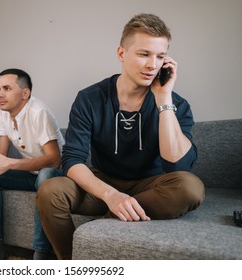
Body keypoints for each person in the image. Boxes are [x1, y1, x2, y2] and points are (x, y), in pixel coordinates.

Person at [36, 13, 205, 260]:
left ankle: (102, 230)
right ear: (121, 53)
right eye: (143, 54)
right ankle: (72, 264)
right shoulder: (90, 98)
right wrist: (111, 195)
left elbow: (179, 167)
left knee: (191, 187)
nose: (152, 65)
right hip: (102, 182)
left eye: (160, 57)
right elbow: (72, 159)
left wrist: (163, 99)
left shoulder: (176, 103)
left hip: (151, 184)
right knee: (50, 190)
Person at [0, 68, 64, 260]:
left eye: (6, 88)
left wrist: (9, 164)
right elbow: (1, 156)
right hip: (31, 174)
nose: (0, 94)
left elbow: (54, 160)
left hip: (58, 175)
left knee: (45, 175)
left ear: (25, 93)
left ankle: (41, 252)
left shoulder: (39, 112)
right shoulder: (3, 114)